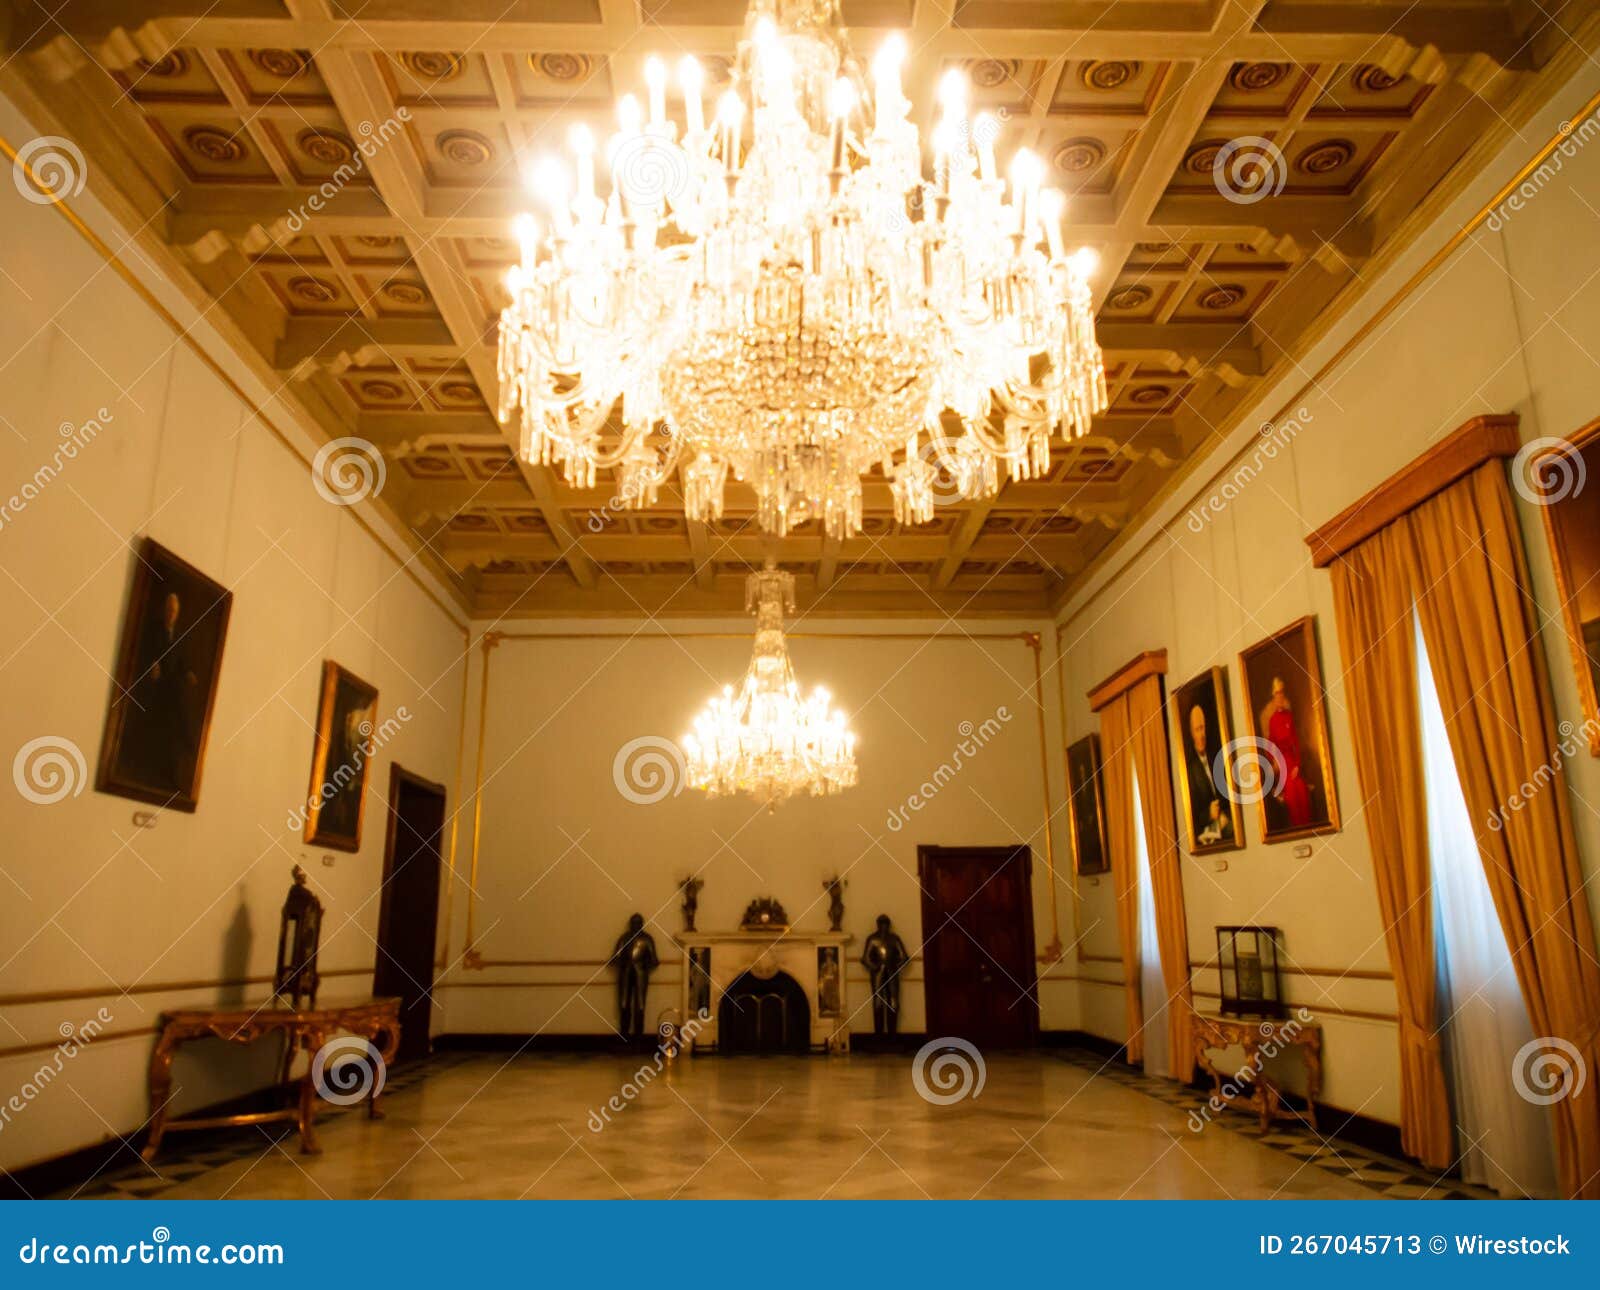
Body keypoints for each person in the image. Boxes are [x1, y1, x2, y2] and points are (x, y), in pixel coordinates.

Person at [1261, 677, 1313, 829]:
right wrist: (1274, 761)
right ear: (1274, 700)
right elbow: (1270, 744)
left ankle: (1308, 825)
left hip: (1292, 760)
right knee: (1290, 789)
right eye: (1277, 697)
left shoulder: (1289, 717)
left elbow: (1295, 742)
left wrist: (1297, 765)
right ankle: (1299, 827)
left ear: (1284, 698)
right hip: (1281, 762)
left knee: (1301, 788)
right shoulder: (1272, 720)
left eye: (1281, 696)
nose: (1280, 699)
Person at [1184, 702, 1231, 844]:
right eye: (1197, 730)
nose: (1202, 734)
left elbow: (1227, 793)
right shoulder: (1189, 768)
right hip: (1207, 830)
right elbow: (1192, 817)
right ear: (1192, 733)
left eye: (1203, 728)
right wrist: (1209, 815)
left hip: (1225, 817)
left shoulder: (1215, 755)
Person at [610, 913, 659, 1040]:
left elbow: (654, 960)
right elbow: (615, 957)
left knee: (640, 1004)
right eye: (633, 923)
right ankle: (624, 1034)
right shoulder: (624, 938)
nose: (635, 926)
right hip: (625, 973)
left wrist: (644, 965)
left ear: (641, 924)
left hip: (640, 974)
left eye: (638, 923)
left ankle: (639, 1035)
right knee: (624, 1003)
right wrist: (621, 963)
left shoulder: (647, 939)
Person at [860, 914, 909, 1035]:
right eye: (881, 924)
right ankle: (879, 1034)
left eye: (885, 924)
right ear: (877, 924)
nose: (883, 926)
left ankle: (892, 1034)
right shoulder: (872, 939)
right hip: (877, 974)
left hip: (892, 973)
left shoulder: (894, 938)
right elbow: (865, 958)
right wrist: (874, 966)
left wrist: (894, 966)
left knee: (893, 1001)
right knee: (878, 1002)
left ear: (889, 925)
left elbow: (904, 957)